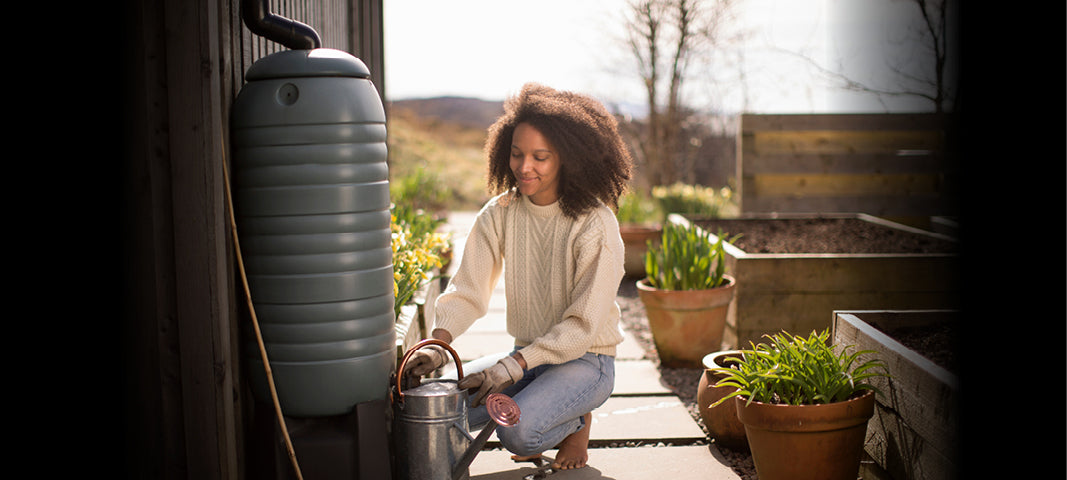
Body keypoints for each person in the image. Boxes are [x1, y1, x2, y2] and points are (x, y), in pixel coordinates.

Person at [403, 82, 633, 470]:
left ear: (567, 158)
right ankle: (548, 403)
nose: (524, 167)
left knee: (518, 432)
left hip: (587, 361)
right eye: (516, 154)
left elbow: (582, 326)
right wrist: (437, 345)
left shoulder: (595, 223)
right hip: (526, 355)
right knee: (442, 409)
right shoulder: (500, 212)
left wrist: (512, 368)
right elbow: (467, 290)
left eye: (540, 157)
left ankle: (575, 423)